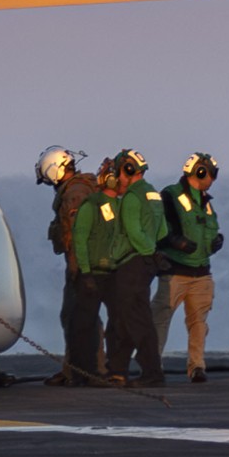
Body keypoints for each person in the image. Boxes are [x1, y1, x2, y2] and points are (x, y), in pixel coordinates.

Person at [153, 153, 225, 383]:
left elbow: (207, 230)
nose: (213, 178)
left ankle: (197, 366)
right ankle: (153, 365)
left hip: (201, 273)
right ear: (200, 172)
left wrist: (215, 243)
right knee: (160, 320)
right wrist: (175, 242)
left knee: (199, 323)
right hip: (175, 272)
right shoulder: (170, 196)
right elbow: (158, 229)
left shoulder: (205, 201)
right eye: (211, 173)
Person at [100, 149, 168, 386]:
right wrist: (153, 253)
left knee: (136, 320)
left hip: (132, 263)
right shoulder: (154, 195)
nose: (117, 177)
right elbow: (163, 231)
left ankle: (152, 372)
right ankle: (117, 369)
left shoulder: (131, 198)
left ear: (127, 170)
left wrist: (145, 251)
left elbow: (132, 230)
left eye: (119, 171)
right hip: (147, 264)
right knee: (128, 317)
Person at [37, 146, 103, 385]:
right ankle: (74, 369)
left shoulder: (74, 194)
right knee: (75, 316)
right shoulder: (80, 188)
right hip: (86, 263)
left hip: (83, 264)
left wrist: (78, 270)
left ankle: (89, 370)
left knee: (81, 317)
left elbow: (77, 236)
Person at [70, 155, 124, 386]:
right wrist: (85, 272)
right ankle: (84, 372)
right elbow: (79, 240)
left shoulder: (122, 205)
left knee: (118, 324)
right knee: (83, 326)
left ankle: (113, 370)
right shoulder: (90, 206)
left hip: (114, 273)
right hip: (92, 273)